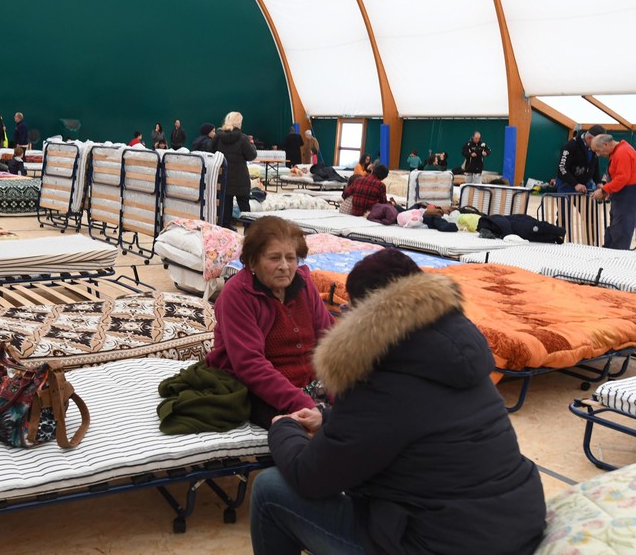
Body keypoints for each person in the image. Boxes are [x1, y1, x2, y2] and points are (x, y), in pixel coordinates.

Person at [250, 248, 547, 555]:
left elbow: (310, 476)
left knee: (270, 490)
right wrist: (328, 418)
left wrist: (284, 429)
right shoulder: (451, 351)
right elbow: (412, 421)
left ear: (365, 315)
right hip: (514, 526)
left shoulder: (380, 375)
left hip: (441, 544)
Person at [206, 216, 333, 429]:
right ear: (253, 262)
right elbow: (250, 365)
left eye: (290, 258)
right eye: (274, 258)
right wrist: (304, 405)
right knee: (300, 430)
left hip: (310, 384)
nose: (285, 266)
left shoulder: (303, 285)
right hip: (261, 389)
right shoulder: (237, 295)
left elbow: (330, 337)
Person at [212, 111, 257, 230]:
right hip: (240, 178)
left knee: (225, 207)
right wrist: (252, 145)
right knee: (245, 207)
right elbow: (251, 156)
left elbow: (211, 153)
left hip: (224, 177)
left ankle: (226, 234)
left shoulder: (218, 137)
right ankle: (249, 233)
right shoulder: (243, 138)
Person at [591, 133, 636, 250]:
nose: (598, 154)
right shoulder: (618, 151)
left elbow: (622, 178)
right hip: (623, 195)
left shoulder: (622, 152)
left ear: (606, 144)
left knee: (621, 229)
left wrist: (604, 190)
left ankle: (617, 260)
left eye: (598, 150)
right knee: (616, 227)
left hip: (628, 195)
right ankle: (610, 253)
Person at [557, 125, 605, 193]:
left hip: (585, 186)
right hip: (566, 186)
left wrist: (598, 182)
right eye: (598, 143)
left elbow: (595, 167)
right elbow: (562, 168)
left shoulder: (593, 147)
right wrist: (575, 184)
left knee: (589, 203)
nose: (598, 146)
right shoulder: (570, 146)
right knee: (566, 203)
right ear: (589, 138)